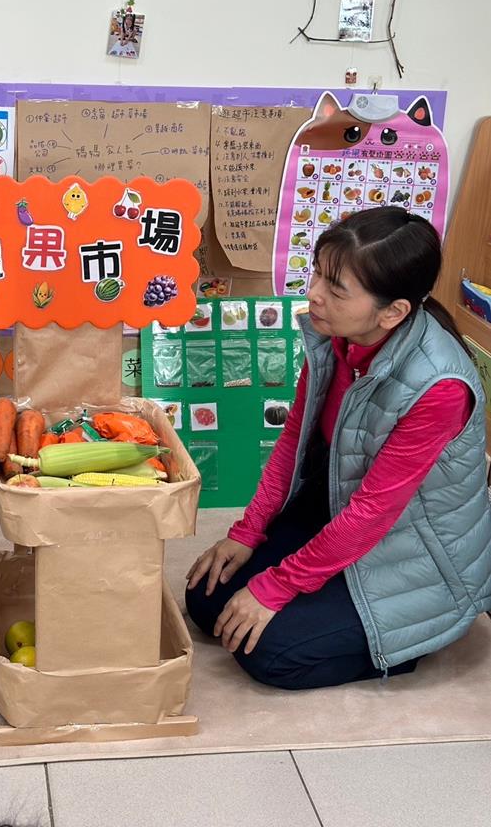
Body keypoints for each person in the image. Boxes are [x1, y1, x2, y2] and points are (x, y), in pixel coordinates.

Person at [186, 206, 491, 690]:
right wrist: (248, 531)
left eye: (336, 287)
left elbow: (373, 512)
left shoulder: (440, 387)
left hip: (413, 550)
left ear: (393, 311)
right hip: (337, 504)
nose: (314, 293)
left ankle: (404, 647)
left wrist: (279, 585)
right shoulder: (338, 336)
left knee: (269, 653)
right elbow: (293, 438)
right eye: (317, 273)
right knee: (206, 600)